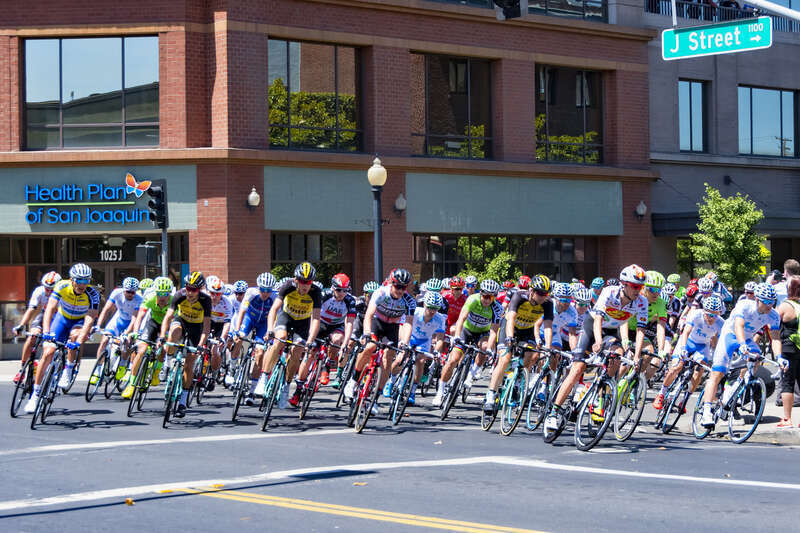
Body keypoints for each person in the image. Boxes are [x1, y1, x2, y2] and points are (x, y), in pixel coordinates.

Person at [544, 265, 648, 432]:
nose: (638, 290)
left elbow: (641, 330)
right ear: (624, 284)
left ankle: (600, 395)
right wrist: (598, 342)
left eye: (640, 287)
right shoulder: (610, 292)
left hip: (611, 331)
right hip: (591, 326)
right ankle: (553, 412)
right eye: (635, 286)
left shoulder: (642, 302)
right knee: (578, 368)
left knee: (617, 355)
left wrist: (636, 356)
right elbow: (598, 318)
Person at [701, 283, 782, 428]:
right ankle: (707, 410)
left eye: (772, 302)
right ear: (757, 299)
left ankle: (733, 390)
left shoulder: (774, 315)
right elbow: (738, 326)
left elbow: (775, 338)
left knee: (756, 356)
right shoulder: (745, 305)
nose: (770, 305)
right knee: (717, 373)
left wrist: (780, 357)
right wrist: (742, 344)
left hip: (748, 338)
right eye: (767, 302)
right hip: (730, 335)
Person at [24, 263, 100, 413]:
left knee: (74, 336)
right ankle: (35, 395)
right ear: (72, 279)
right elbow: (50, 309)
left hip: (79, 321)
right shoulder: (61, 286)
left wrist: (78, 342)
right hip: (62, 318)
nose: (82, 284)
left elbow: (90, 319)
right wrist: (47, 332)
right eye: (79, 280)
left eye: (86, 281)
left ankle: (69, 369)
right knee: (48, 352)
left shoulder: (93, 294)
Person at [345, 268, 416, 414]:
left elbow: (408, 323)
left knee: (387, 360)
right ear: (391, 283)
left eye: (404, 287)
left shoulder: (409, 301)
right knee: (370, 347)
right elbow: (369, 315)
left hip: (392, 328)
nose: (400, 290)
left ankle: (375, 398)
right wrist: (366, 333)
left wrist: (404, 343)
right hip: (377, 323)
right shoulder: (381, 292)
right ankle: (353, 381)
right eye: (398, 286)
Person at [262, 262, 322, 409]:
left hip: (303, 323)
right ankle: (263, 378)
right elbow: (274, 309)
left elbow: (315, 319)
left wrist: (310, 340)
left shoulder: (315, 292)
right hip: (286, 317)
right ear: (296, 279)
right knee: (280, 338)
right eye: (302, 281)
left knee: (298, 350)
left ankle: (286, 387)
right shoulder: (288, 286)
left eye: (308, 282)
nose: (305, 285)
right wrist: (270, 329)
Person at [434, 279, 502, 408]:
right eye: (486, 296)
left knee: (484, 348)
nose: (488, 300)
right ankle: (440, 391)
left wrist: (489, 349)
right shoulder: (473, 299)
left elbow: (494, 331)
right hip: (467, 330)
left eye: (491, 297)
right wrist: (457, 336)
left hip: (483, 333)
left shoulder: (497, 308)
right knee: (453, 359)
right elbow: (461, 318)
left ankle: (472, 374)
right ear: (481, 293)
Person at [290, 273, 355, 405]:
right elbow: (313, 316)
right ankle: (298, 389)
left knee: (337, 340)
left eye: (345, 290)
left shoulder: (350, 301)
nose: (342, 293)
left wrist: (345, 343)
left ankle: (327, 363)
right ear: (333, 288)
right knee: (310, 354)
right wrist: (311, 337)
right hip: (320, 323)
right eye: (339, 290)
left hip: (337, 325)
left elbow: (349, 323)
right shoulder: (324, 296)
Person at [654, 295, 724, 410]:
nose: (712, 318)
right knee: (677, 366)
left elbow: (721, 343)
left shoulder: (720, 323)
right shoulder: (696, 314)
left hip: (702, 346)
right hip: (688, 341)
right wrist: (682, 349)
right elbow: (686, 332)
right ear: (704, 311)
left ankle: (685, 399)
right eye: (709, 314)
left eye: (715, 315)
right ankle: (661, 393)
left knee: (699, 371)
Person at [160, 271, 212, 417]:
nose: (189, 292)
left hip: (197, 327)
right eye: (188, 288)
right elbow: (168, 317)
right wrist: (163, 336)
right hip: (181, 321)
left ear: (200, 290)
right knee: (174, 332)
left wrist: (201, 344)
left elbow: (206, 327)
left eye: (193, 289)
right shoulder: (179, 295)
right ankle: (168, 362)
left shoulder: (205, 300)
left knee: (190, 363)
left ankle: (182, 402)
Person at [122, 276, 174, 399]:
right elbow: (140, 316)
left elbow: (175, 321)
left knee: (163, 349)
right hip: (153, 323)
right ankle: (132, 384)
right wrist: (135, 332)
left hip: (168, 325)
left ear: (169, 293)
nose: (162, 297)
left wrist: (165, 336)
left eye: (165, 294)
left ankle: (156, 373)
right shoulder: (150, 299)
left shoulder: (174, 302)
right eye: (159, 293)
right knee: (141, 350)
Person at [12, 271, 61, 383]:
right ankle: (22, 370)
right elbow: (31, 309)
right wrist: (21, 325)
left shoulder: (63, 293)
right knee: (32, 337)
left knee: (51, 344)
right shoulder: (39, 291)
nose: (48, 291)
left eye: (51, 289)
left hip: (58, 317)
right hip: (44, 315)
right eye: (46, 288)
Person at [94, 277, 144, 384]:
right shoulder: (117, 293)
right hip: (118, 320)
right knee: (104, 341)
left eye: (133, 292)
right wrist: (98, 325)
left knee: (126, 344)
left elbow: (134, 319)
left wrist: (126, 333)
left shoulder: (139, 299)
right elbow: (106, 310)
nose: (130, 294)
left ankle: (122, 366)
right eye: (128, 292)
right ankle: (98, 370)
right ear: (123, 290)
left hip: (130, 323)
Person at [776, 275, 800, 428]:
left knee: (788, 383)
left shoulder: (785, 306)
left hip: (788, 348)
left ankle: (787, 419)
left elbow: (773, 325)